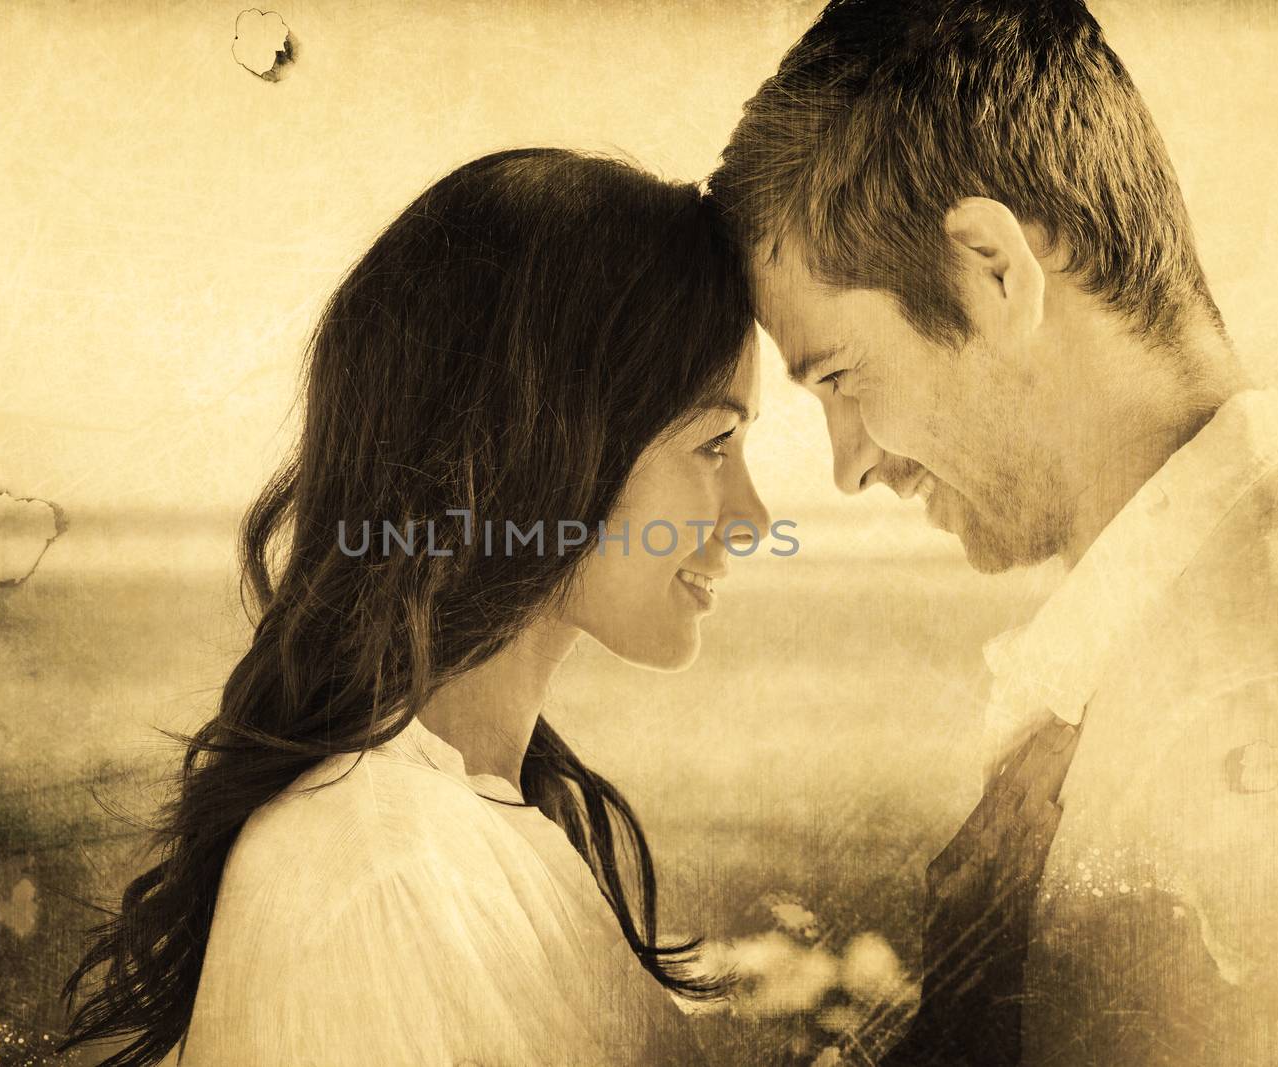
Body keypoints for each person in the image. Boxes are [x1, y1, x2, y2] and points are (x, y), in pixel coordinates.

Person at [710, 1, 1278, 1064]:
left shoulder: (1254, 683)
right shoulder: (1211, 620)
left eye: (840, 376)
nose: (850, 462)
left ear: (994, 270)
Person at [58, 148, 772, 1066]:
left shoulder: (461, 835)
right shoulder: (383, 875)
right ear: (545, 447)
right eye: (716, 442)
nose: (752, 518)